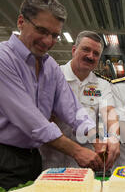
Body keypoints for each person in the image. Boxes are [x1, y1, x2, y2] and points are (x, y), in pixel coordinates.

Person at [0, 0, 105, 192]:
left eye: (55, 35)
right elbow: (32, 121)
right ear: (21, 22)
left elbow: (72, 109)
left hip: (31, 159)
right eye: (41, 30)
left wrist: (96, 136)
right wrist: (77, 150)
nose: (48, 41)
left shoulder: (51, 67)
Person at [39, 30, 120, 170]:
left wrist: (114, 137)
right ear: (74, 50)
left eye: (96, 54)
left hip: (85, 162)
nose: (90, 56)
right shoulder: (54, 76)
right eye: (86, 50)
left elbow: (109, 112)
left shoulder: (103, 85)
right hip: (51, 159)